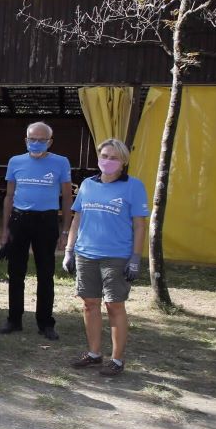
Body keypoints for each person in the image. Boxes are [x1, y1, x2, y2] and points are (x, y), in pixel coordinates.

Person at [64, 139, 149, 377]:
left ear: (123, 161)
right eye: (104, 155)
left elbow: (140, 226)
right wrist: (70, 250)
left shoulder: (134, 186)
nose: (108, 161)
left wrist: (135, 258)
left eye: (113, 157)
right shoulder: (88, 185)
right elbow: (77, 219)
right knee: (89, 304)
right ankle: (93, 354)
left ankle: (117, 359)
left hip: (116, 256)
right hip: (86, 254)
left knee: (114, 305)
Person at [0, 121, 73, 339]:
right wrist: (5, 229)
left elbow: (67, 197)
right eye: (33, 139)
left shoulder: (61, 163)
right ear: (26, 140)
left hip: (47, 221)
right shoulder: (15, 161)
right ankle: (14, 319)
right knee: (16, 272)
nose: (37, 143)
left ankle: (46, 323)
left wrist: (65, 230)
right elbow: (9, 196)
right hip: (19, 220)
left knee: (46, 273)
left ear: (50, 142)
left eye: (42, 140)